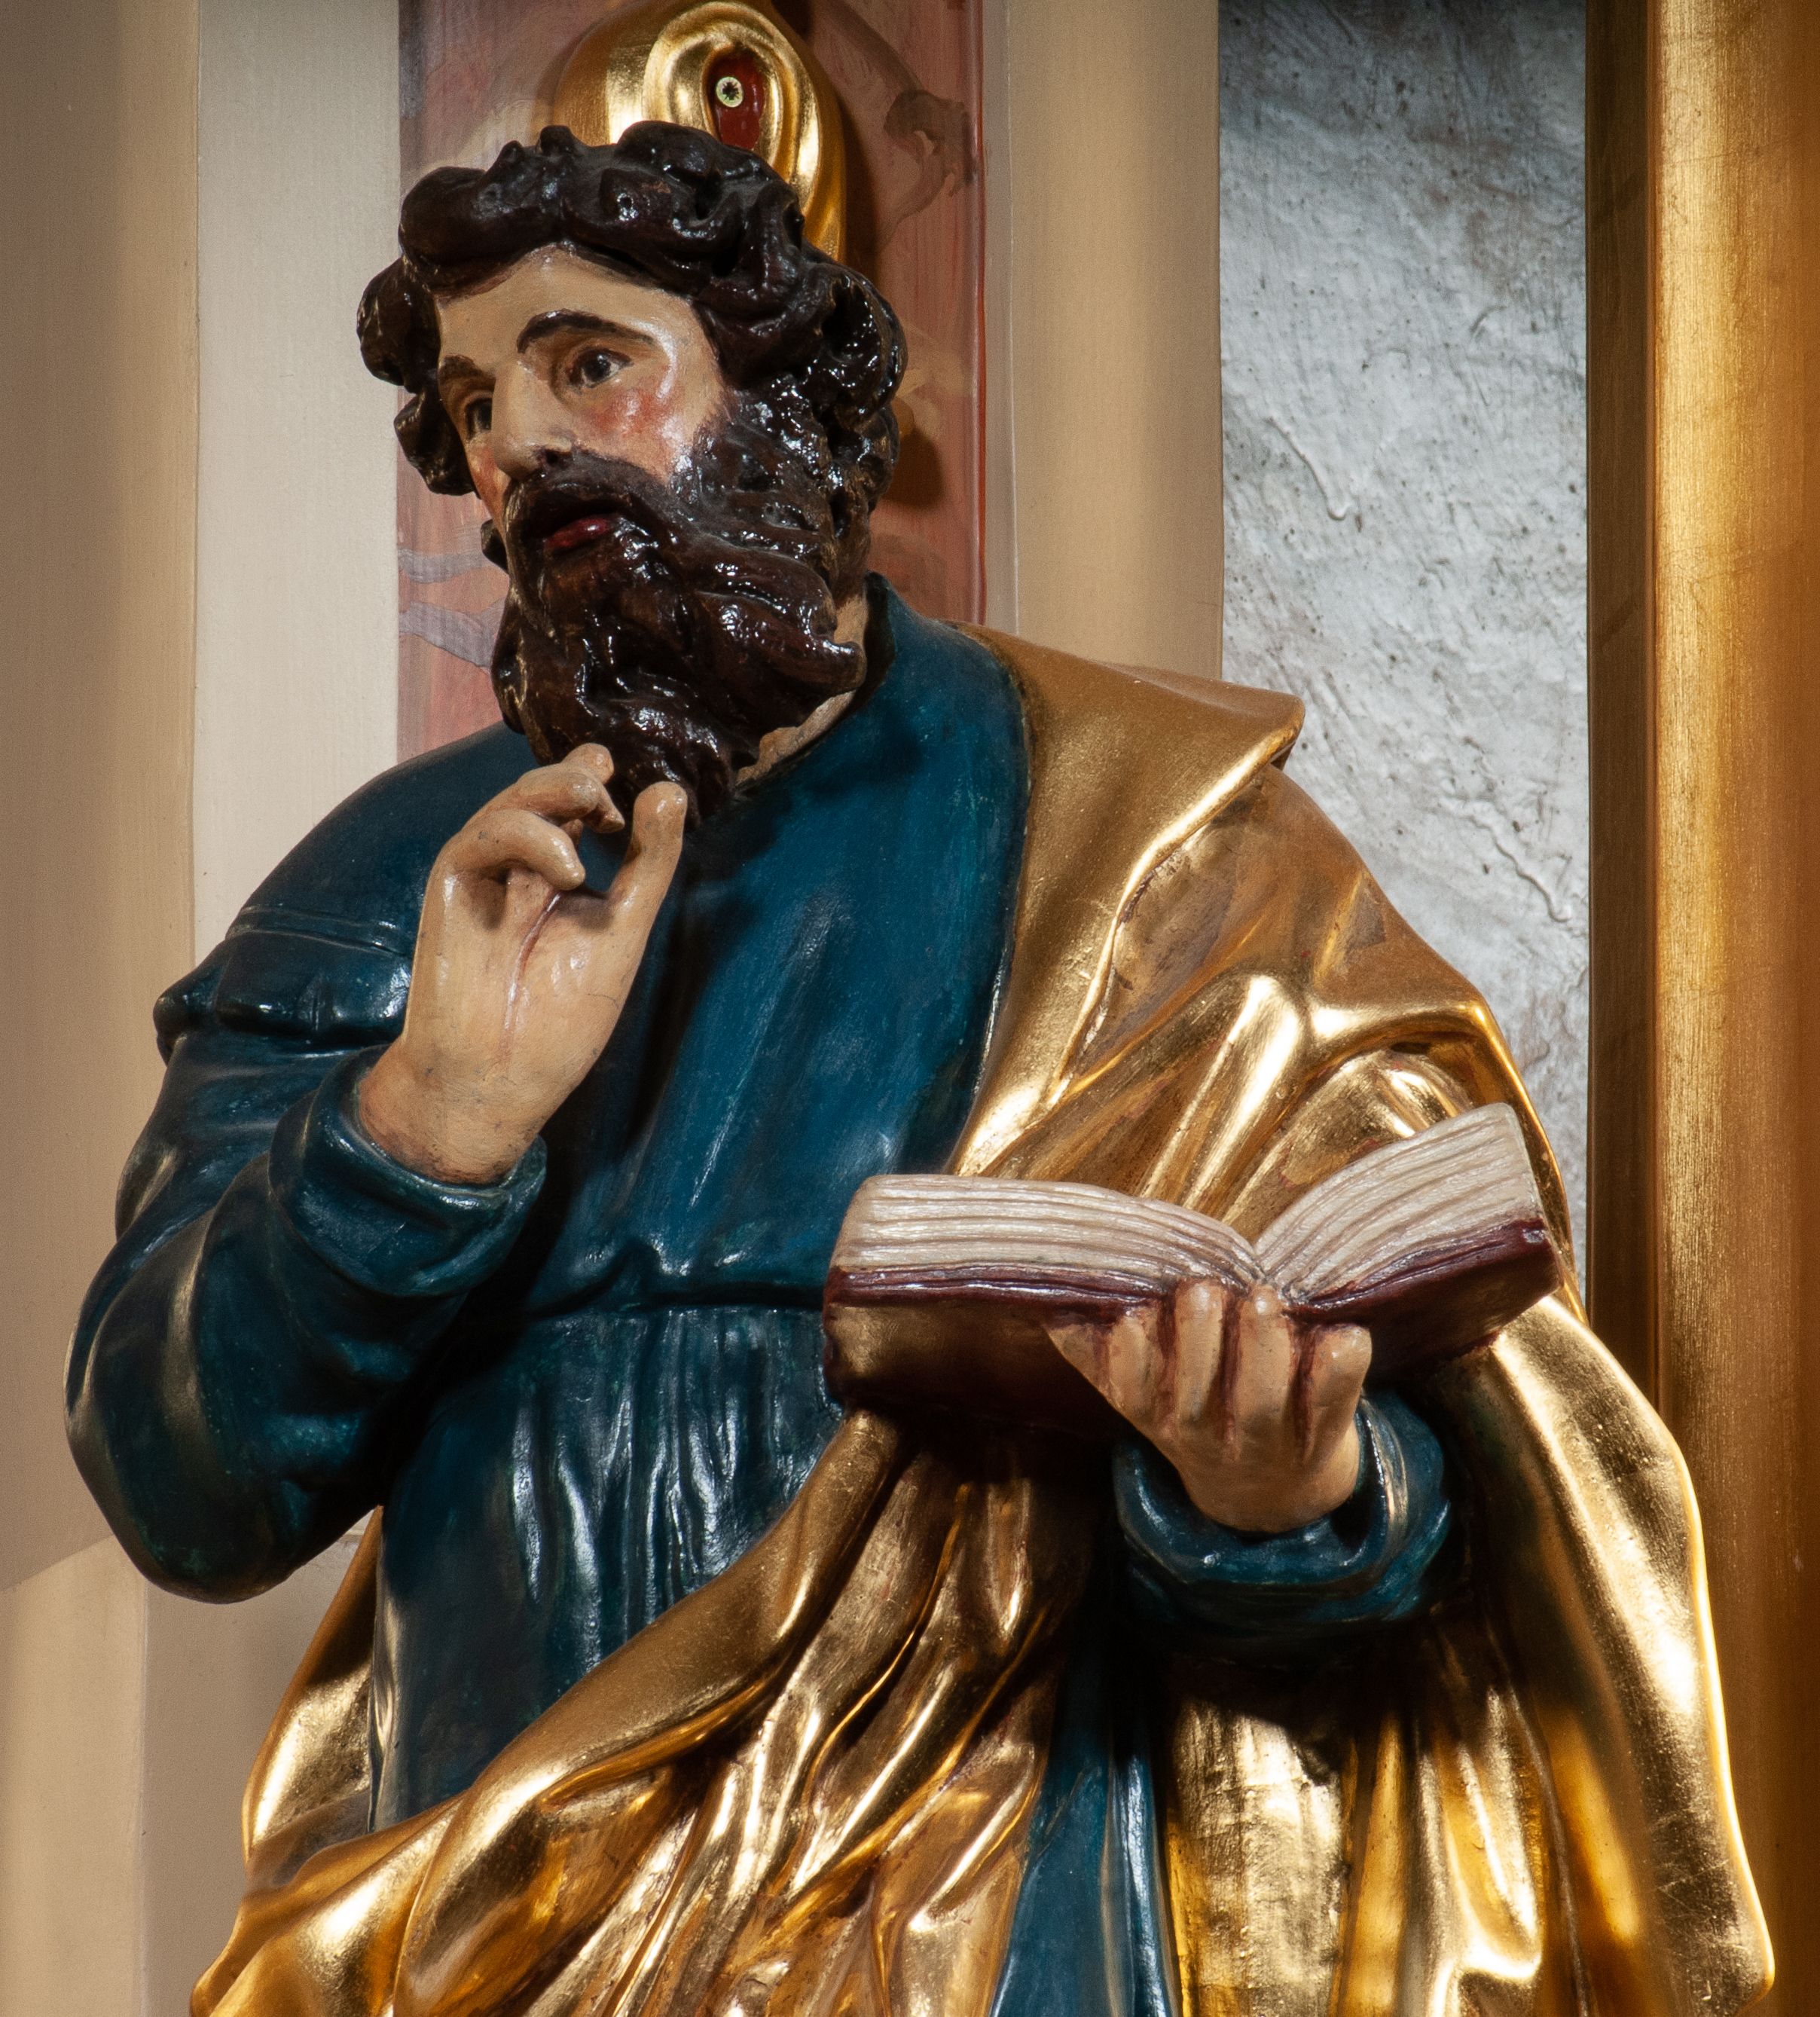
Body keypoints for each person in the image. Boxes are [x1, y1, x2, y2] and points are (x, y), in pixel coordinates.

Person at [68, 123, 1767, 2016]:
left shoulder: (1142, 842)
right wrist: (422, 1126)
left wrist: (1278, 1495)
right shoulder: (397, 887)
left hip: (1004, 1912)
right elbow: (180, 1480)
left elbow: (1435, 1511)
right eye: (472, 407)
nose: (519, 447)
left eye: (588, 364)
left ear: (780, 393)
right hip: (502, 1904)